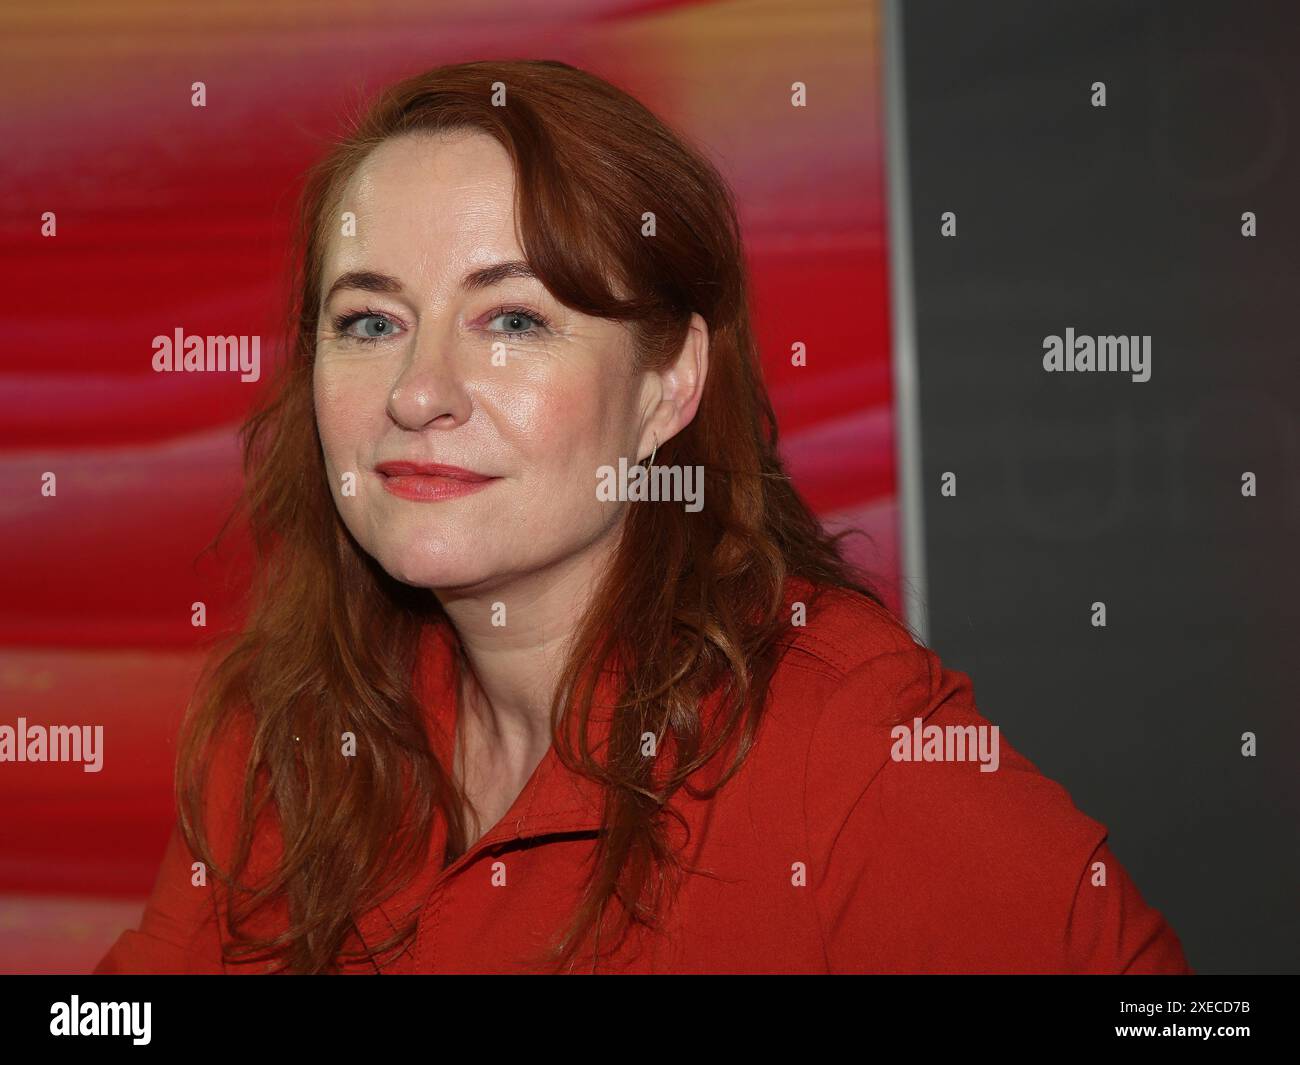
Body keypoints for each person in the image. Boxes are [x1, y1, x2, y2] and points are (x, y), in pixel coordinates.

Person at [93, 58, 1191, 975]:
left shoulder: (840, 751)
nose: (417, 392)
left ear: (666, 388)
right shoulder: (283, 722)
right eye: (370, 321)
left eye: (513, 319)